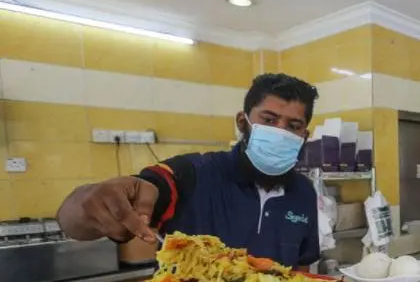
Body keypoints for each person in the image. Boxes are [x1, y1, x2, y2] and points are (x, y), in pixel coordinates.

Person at [57, 73, 321, 270]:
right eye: (269, 120)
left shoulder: (303, 192)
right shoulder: (192, 174)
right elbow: (78, 222)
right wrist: (87, 203)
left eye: (293, 125)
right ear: (243, 122)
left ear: (304, 136)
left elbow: (302, 268)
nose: (280, 132)